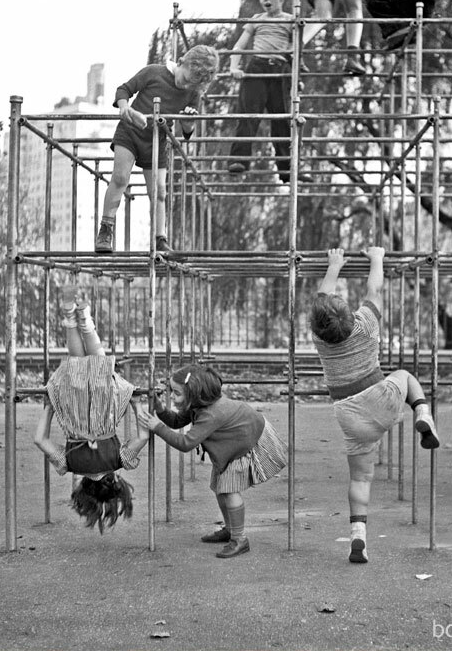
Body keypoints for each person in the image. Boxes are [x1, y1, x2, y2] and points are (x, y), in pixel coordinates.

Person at [310, 246, 440, 563]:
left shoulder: (319, 339)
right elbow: (374, 288)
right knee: (406, 375)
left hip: (349, 413)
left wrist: (334, 265)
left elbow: (321, 299)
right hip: (382, 398)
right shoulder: (366, 324)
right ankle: (422, 413)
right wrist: (377, 258)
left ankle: (359, 537)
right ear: (349, 314)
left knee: (360, 479)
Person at [138, 364, 287, 559]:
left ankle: (240, 539)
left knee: (230, 490)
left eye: (176, 393)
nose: (172, 397)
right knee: (220, 488)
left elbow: (185, 443)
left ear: (195, 394)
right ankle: (230, 529)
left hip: (245, 444)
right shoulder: (199, 406)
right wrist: (159, 407)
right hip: (234, 442)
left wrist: (157, 427)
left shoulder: (211, 414)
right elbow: (176, 422)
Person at [34, 286, 150, 532]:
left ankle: (85, 318)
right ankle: (70, 317)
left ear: (115, 481)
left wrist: (136, 404)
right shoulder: (69, 465)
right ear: (82, 487)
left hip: (102, 405)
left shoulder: (121, 460)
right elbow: (39, 439)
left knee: (97, 359)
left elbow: (143, 435)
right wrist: (49, 407)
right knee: (76, 360)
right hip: (75, 406)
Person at [95, 44, 219, 255]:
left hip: (158, 140)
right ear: (180, 63)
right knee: (120, 178)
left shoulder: (192, 93)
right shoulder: (154, 72)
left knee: (159, 191)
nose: (185, 84)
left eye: (191, 84)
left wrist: (188, 120)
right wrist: (125, 107)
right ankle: (106, 229)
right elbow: (123, 89)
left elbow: (187, 132)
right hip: (131, 132)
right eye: (185, 78)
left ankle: (160, 238)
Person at [227, 0, 313, 184]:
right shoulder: (257, 19)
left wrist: (297, 77)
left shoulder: (290, 20)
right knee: (248, 115)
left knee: (283, 121)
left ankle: (287, 169)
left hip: (280, 71)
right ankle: (238, 161)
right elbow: (239, 45)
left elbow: (296, 52)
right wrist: (234, 66)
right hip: (257, 68)